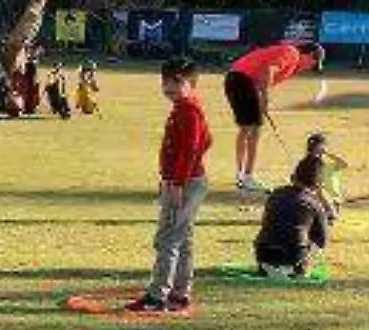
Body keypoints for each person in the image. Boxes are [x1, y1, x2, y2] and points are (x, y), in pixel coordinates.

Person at [127, 57, 212, 313]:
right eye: (165, 81)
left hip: (184, 183)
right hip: (183, 181)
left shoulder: (189, 111)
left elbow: (192, 148)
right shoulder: (183, 108)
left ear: (191, 83)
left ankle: (158, 296)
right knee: (182, 238)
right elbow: (205, 141)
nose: (169, 87)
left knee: (167, 239)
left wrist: (177, 182)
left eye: (177, 82)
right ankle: (179, 292)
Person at [224, 41, 325, 192]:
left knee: (248, 129)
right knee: (252, 130)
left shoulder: (290, 58)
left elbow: (261, 76)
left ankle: (242, 175)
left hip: (236, 79)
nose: (309, 68)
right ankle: (246, 177)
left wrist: (260, 98)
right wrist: (265, 99)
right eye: (312, 63)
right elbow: (268, 70)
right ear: (309, 55)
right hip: (242, 80)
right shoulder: (292, 54)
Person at [255, 155, 330, 277]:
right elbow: (322, 240)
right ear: (318, 184)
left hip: (263, 256)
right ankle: (297, 267)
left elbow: (265, 222)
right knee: (315, 240)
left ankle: (273, 268)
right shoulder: (315, 203)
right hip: (293, 258)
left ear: (293, 177)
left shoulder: (275, 194)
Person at [304, 131, 348, 221]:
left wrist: (327, 154)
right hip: (316, 201)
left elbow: (344, 164)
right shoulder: (309, 164)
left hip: (334, 201)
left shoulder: (330, 164)